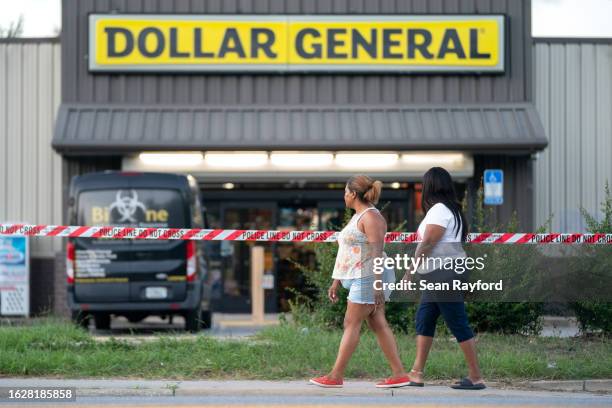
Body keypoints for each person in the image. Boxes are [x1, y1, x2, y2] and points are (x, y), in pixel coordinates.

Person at [309, 175, 411, 389]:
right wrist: (336, 281)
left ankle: (336, 376)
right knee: (378, 323)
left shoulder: (372, 217)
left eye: (345, 193)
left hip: (368, 276)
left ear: (353, 194)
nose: (344, 197)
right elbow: (347, 251)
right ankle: (399, 373)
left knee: (351, 322)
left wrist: (376, 285)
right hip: (358, 275)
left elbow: (376, 253)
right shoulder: (358, 216)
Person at [402, 167, 486, 390]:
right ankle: (416, 373)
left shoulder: (439, 210)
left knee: (457, 322)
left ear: (430, 186)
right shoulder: (452, 210)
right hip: (443, 272)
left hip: (444, 273)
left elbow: (428, 243)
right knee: (425, 319)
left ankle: (476, 376)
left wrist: (409, 272)